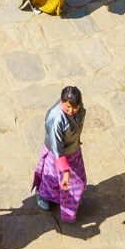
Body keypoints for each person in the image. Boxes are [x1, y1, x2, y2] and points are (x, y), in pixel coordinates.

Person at [32, 86, 86, 223]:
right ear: (62, 102)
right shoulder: (55, 118)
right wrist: (65, 171)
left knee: (79, 181)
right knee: (52, 181)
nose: (71, 110)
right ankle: (42, 194)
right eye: (67, 107)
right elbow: (56, 146)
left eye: (75, 107)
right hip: (56, 154)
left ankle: (67, 200)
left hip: (73, 151)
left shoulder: (79, 109)